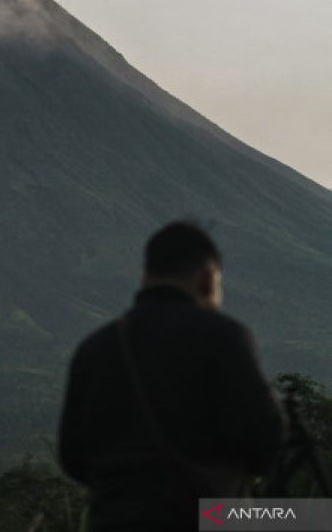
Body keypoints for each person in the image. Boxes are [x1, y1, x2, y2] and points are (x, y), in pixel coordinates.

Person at [58, 221, 285, 531]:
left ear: (145, 277)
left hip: (113, 520)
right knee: (311, 517)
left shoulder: (94, 348)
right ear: (207, 280)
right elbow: (265, 448)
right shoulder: (224, 338)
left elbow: (72, 458)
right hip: (206, 518)